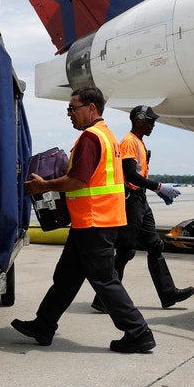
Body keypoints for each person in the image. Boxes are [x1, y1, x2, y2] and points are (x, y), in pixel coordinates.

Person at [12, 87, 155, 354]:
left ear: (91, 109)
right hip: (91, 222)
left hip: (95, 222)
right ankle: (43, 325)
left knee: (104, 280)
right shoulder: (107, 135)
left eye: (72, 108)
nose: (69, 114)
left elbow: (78, 180)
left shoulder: (91, 138)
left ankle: (139, 332)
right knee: (66, 277)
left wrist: (43, 186)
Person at [90, 105, 194, 313]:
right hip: (131, 201)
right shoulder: (129, 142)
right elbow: (129, 175)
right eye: (150, 121)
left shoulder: (138, 142)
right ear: (139, 120)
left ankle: (168, 293)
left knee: (155, 245)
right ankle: (103, 299)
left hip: (140, 200)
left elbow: (139, 175)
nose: (153, 125)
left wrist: (155, 191)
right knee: (125, 250)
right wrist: (158, 186)